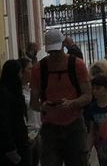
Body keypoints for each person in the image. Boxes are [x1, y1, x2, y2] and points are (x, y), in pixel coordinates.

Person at [30, 27, 91, 166]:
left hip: (74, 125)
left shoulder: (77, 65)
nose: (55, 55)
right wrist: (42, 107)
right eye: (51, 52)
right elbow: (33, 103)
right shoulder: (38, 69)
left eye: (57, 51)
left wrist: (72, 103)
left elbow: (88, 96)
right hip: (50, 128)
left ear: (63, 45)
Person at [0, 59, 32, 166]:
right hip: (10, 146)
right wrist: (11, 149)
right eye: (19, 73)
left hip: (20, 142)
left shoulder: (15, 91)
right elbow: (3, 123)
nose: (21, 76)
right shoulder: (3, 94)